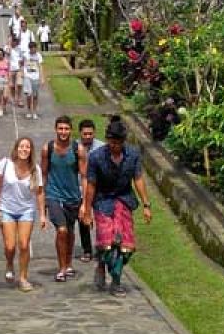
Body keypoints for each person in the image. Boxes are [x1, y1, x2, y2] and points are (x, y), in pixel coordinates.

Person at [80, 116, 152, 296]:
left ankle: (114, 274)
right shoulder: (96, 157)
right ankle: (114, 278)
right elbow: (91, 185)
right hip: (103, 202)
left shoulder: (133, 155)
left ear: (123, 142)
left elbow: (138, 179)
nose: (114, 146)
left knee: (125, 245)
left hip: (124, 200)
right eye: (111, 142)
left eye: (118, 143)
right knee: (107, 243)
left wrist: (146, 204)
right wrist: (87, 210)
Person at [0, 136, 46, 292]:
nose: (24, 149)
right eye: (21, 146)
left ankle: (23, 277)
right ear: (16, 149)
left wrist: (42, 214)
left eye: (27, 147)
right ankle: (9, 263)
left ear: (31, 150)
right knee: (10, 246)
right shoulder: (5, 164)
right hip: (7, 208)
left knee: (23, 244)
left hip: (26, 210)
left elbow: (40, 192)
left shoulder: (35, 169)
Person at [43, 115, 87, 282]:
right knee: (61, 230)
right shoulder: (48, 149)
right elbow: (44, 174)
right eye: (60, 128)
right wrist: (43, 200)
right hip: (54, 195)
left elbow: (84, 176)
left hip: (73, 197)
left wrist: (84, 203)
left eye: (66, 129)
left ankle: (68, 263)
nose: (63, 132)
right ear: (56, 129)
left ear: (71, 130)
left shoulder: (78, 150)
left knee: (69, 232)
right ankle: (61, 268)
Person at [76, 118, 104, 263]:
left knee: (101, 219)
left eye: (90, 134)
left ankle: (101, 247)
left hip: (99, 189)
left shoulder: (101, 148)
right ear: (80, 133)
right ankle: (87, 250)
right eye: (85, 134)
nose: (87, 136)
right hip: (81, 189)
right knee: (83, 220)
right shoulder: (75, 147)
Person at [21, 41, 44, 119]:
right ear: (29, 48)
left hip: (36, 77)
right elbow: (21, 63)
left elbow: (40, 66)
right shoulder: (25, 55)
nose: (33, 49)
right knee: (28, 94)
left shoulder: (39, 56)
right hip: (28, 76)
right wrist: (22, 72)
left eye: (34, 48)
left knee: (35, 95)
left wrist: (42, 77)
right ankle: (28, 110)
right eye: (32, 48)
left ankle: (34, 111)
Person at [7, 35, 24, 109]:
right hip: (11, 69)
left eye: (14, 41)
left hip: (18, 69)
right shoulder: (7, 48)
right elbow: (8, 53)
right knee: (11, 85)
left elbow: (22, 59)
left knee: (19, 84)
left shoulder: (19, 48)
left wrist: (22, 69)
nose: (14, 42)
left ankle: (19, 99)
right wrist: (10, 45)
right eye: (12, 41)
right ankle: (13, 98)